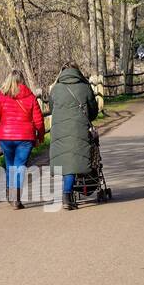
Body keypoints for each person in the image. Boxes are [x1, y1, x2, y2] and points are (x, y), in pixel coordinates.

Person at [0, 69, 45, 209]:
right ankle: (16, 198)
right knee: (19, 167)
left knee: (10, 166)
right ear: (22, 80)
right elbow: (39, 120)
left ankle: (12, 195)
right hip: (25, 138)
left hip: (5, 137)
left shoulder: (2, 97)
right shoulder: (30, 97)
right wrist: (40, 136)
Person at [48, 63, 99, 210]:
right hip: (79, 129)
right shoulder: (85, 87)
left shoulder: (55, 89)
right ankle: (67, 194)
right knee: (75, 159)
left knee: (66, 161)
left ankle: (68, 194)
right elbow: (93, 110)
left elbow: (52, 109)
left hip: (60, 130)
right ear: (77, 72)